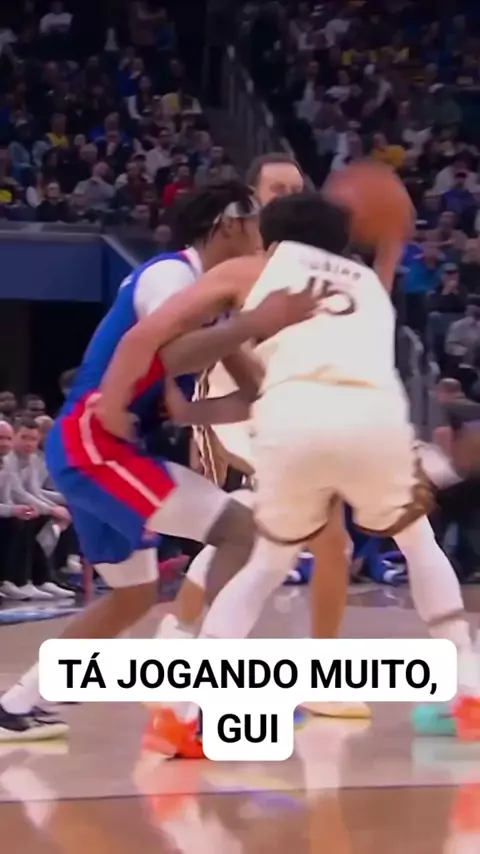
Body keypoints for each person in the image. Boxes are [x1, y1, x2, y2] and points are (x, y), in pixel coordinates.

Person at [128, 192, 479, 747]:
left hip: (295, 418)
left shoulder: (254, 269)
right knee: (418, 540)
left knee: (266, 562)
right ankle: (469, 689)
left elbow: (163, 335)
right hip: (374, 417)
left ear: (270, 239)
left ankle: (182, 711)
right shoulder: (365, 283)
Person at [0, 181, 315, 744]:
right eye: (257, 223)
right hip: (97, 442)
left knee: (133, 596)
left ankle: (16, 704)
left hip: (102, 447)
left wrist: (250, 372)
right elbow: (167, 351)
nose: (263, 237)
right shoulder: (172, 275)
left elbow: (248, 390)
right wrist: (249, 325)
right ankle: (203, 695)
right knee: (243, 531)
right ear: (229, 223)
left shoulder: (213, 302)